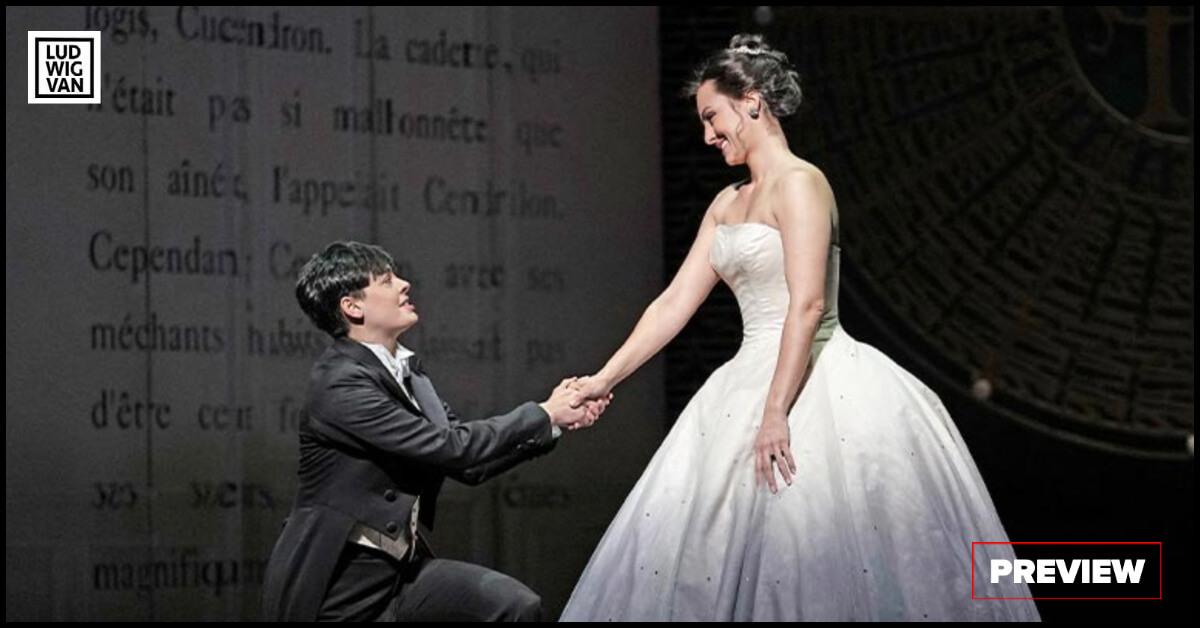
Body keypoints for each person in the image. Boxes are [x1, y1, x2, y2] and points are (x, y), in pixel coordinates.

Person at [559, 34, 1040, 621]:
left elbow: (807, 305)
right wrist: (603, 379)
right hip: (743, 378)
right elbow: (674, 304)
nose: (707, 135)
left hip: (816, 376)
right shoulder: (726, 204)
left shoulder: (802, 183)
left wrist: (775, 410)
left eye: (712, 117)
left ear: (751, 102)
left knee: (815, 548)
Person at [261, 240, 609, 621]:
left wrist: (554, 421)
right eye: (387, 280)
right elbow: (452, 447)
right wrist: (544, 412)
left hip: (399, 573)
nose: (404, 284)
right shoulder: (339, 383)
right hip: (338, 585)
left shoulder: (410, 374)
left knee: (516, 607)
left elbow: (469, 466)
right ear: (352, 307)